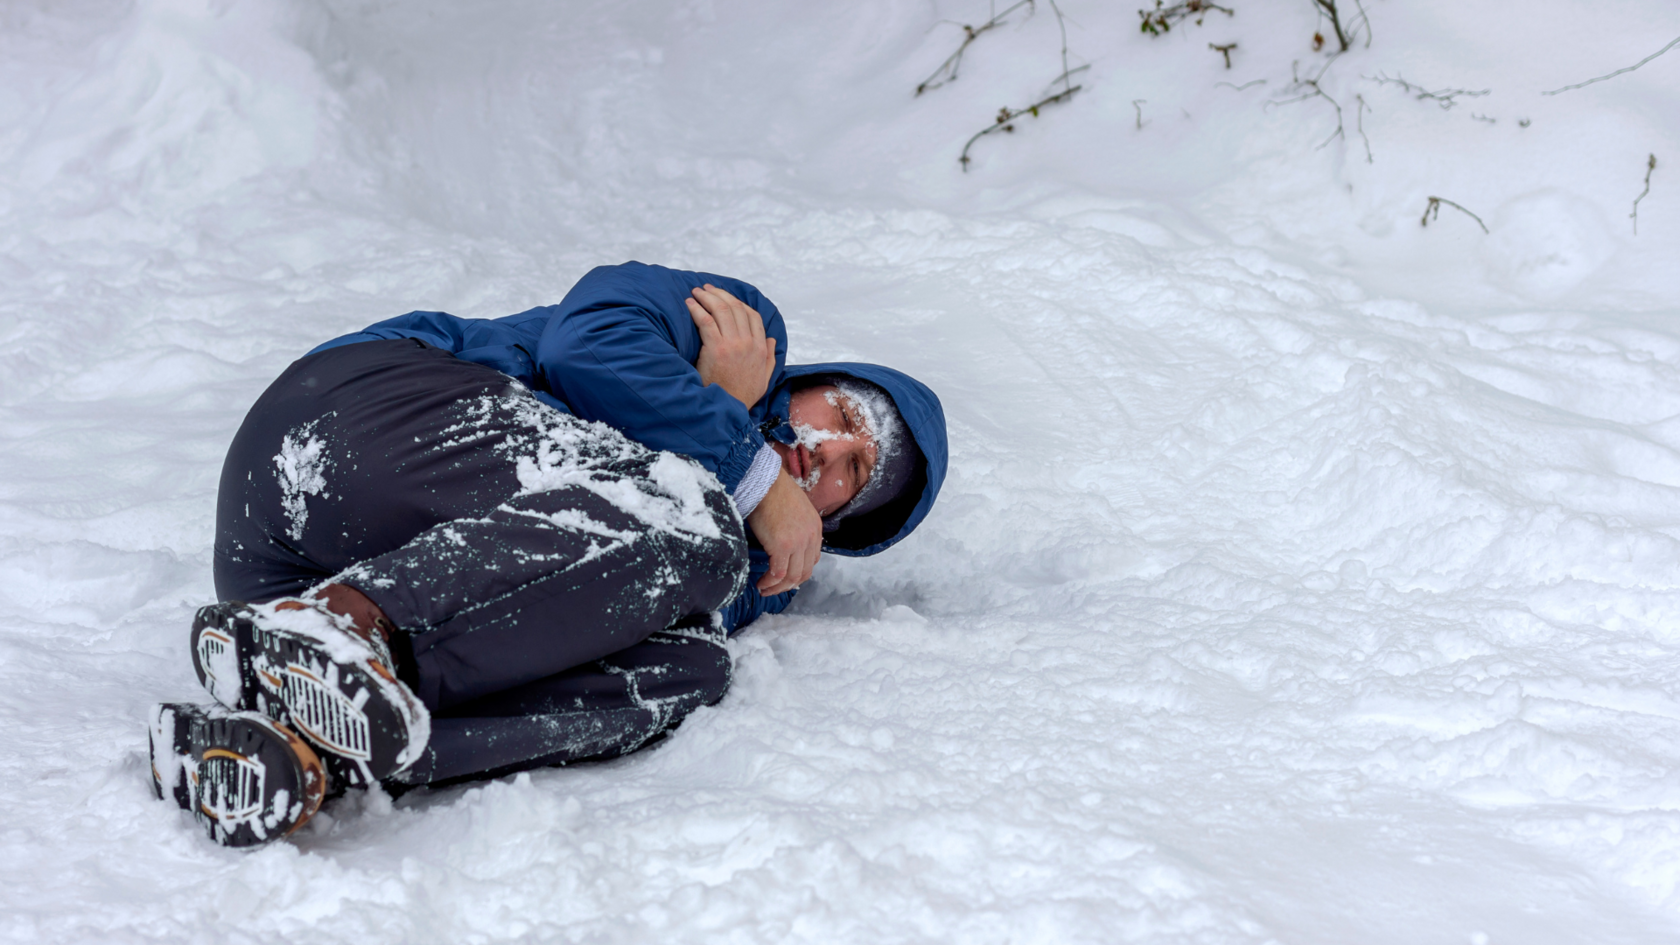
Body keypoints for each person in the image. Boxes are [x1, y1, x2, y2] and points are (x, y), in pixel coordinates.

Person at [146, 262, 948, 847]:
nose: (827, 449)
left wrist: (742, 491)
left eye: (854, 471)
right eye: (843, 412)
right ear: (816, 380)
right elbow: (586, 343)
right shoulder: (738, 324)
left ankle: (311, 744)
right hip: (358, 418)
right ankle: (350, 627)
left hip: (284, 582)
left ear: (836, 521)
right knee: (691, 520)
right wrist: (741, 454)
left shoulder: (752, 565)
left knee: (687, 666)